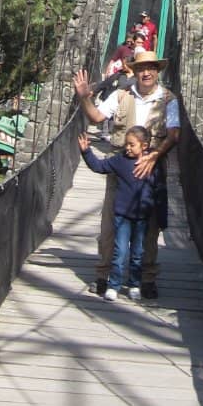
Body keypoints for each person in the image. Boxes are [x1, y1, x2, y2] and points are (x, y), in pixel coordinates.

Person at [73, 49, 179, 300]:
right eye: (142, 68)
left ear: (157, 71)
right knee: (111, 223)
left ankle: (146, 277)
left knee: (149, 228)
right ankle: (104, 275)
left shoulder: (169, 99)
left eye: (151, 68)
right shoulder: (121, 96)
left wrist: (153, 157)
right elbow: (97, 117)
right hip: (121, 168)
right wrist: (84, 97)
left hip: (151, 170)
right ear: (135, 71)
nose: (147, 72)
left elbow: (174, 134)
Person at [77, 126, 154, 301]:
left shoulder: (151, 164)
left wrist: (162, 218)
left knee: (138, 253)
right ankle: (114, 285)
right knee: (119, 252)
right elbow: (99, 166)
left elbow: (160, 190)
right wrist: (86, 151)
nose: (127, 148)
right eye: (126, 144)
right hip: (123, 216)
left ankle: (134, 284)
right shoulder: (120, 161)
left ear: (144, 146)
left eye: (132, 145)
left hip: (142, 217)